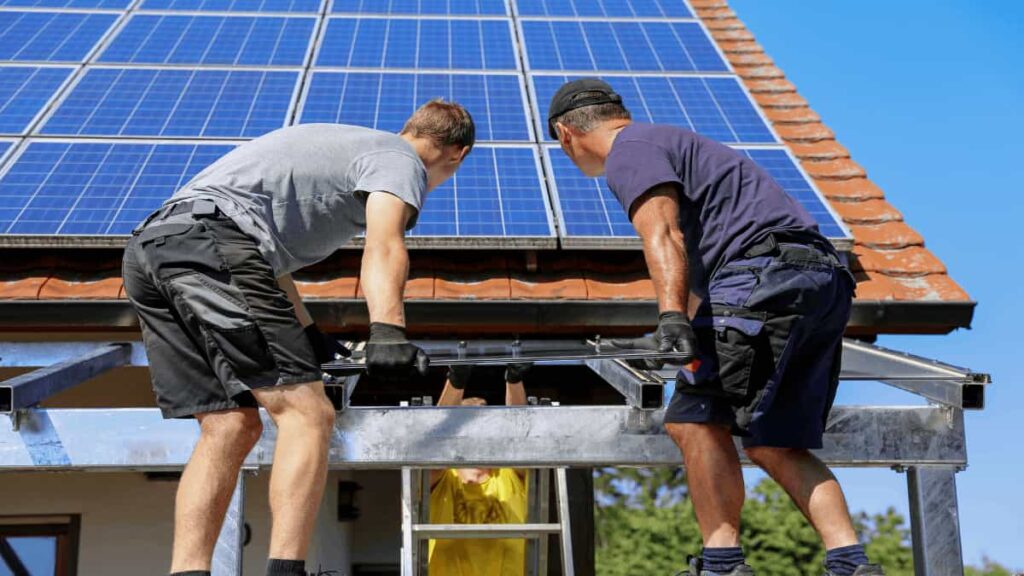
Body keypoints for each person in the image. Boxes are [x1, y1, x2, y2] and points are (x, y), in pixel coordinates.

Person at [121, 100, 474, 576]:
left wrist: (309, 335)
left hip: (152, 249)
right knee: (308, 415)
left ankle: (188, 571)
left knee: (228, 426)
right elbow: (385, 242)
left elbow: (264, 265)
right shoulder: (401, 160)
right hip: (211, 246)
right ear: (457, 154)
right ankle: (286, 571)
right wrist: (387, 329)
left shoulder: (347, 147)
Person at [547, 79, 881, 576]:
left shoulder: (629, 150)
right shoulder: (675, 145)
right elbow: (709, 275)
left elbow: (663, 231)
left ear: (564, 133)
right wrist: (690, 326)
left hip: (761, 279)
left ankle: (723, 564)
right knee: (775, 442)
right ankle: (851, 564)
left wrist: (671, 320)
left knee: (693, 419)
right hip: (820, 283)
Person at [427, 364, 532, 576]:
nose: (480, 434)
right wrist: (456, 380)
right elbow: (436, 444)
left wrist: (514, 379)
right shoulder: (444, 477)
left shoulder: (509, 474)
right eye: (471, 427)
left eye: (486, 427)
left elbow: (520, 438)